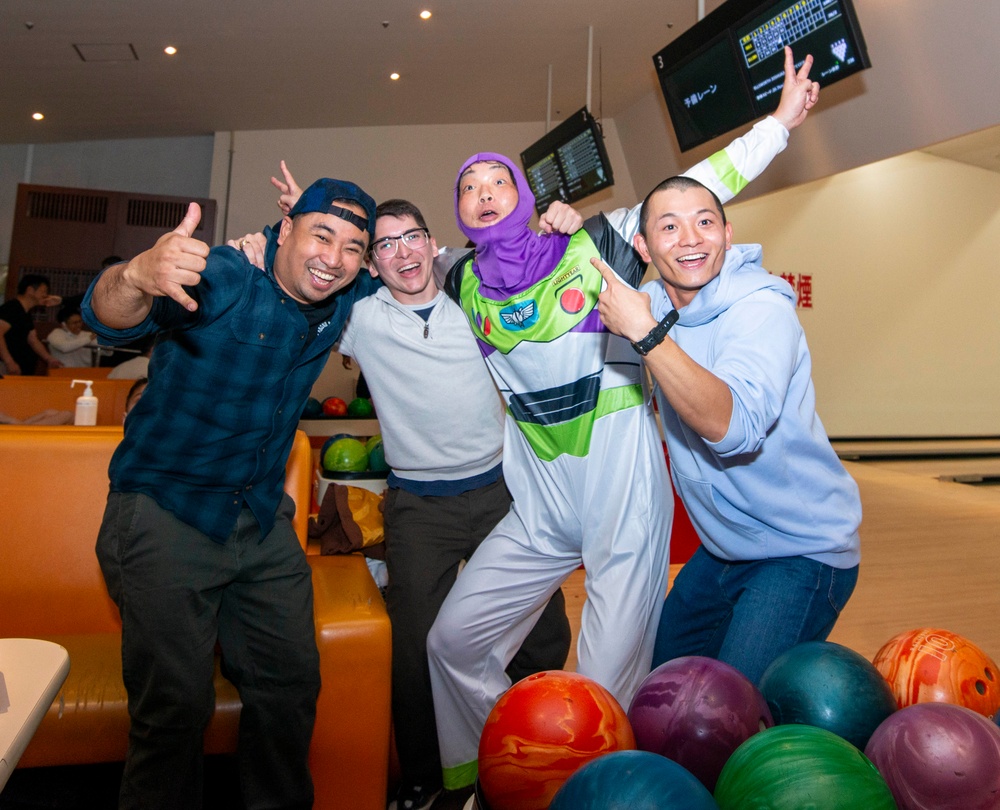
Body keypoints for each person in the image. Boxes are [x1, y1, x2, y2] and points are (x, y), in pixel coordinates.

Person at [427, 46, 820, 792]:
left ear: (519, 191)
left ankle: (605, 790)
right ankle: (495, 772)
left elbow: (694, 193)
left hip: (622, 499)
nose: (481, 194)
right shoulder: (461, 276)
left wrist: (777, 124)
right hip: (541, 507)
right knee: (451, 640)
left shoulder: (596, 241)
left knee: (602, 685)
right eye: (468, 187)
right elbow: (397, 262)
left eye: (494, 182)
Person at [239, 169, 578, 810]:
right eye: (385, 244)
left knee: (540, 632)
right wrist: (273, 239)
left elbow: (528, 262)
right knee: (417, 643)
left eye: (411, 237)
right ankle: (428, 779)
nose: (402, 252)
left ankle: (543, 754)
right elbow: (299, 287)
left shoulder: (473, 298)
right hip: (418, 505)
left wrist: (557, 224)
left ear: (431, 242)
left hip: (500, 493)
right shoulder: (359, 318)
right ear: (373, 262)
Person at [81, 176, 379, 810]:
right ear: (286, 229)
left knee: (290, 689)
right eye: (320, 234)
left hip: (261, 521)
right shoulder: (223, 274)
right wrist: (136, 273)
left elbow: (416, 270)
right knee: (174, 713)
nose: (334, 257)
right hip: (165, 512)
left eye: (353, 246)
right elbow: (104, 312)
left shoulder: (343, 294)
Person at [593, 175, 861, 685]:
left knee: (731, 718)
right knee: (662, 689)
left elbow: (734, 427)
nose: (691, 238)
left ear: (727, 233)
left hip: (801, 551)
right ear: (643, 246)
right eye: (669, 226)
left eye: (704, 221)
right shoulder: (652, 300)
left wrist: (647, 336)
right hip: (724, 549)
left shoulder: (761, 309)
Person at [0, 274, 63, 375]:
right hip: (5, 367)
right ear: (30, 290)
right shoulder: (11, 308)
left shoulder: (26, 312)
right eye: (43, 291)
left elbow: (32, 339)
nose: (46, 295)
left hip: (21, 367)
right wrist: (9, 362)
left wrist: (49, 359)